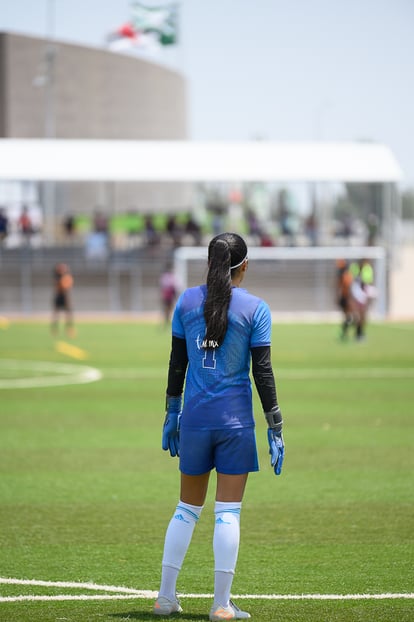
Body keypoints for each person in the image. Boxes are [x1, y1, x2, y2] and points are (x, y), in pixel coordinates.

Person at [154, 232, 285, 620]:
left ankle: (165, 597)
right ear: (244, 266)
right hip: (235, 425)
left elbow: (177, 364)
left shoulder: (185, 302)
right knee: (227, 513)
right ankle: (221, 606)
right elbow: (263, 371)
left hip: (194, 420)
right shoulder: (256, 309)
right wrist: (275, 425)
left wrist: (171, 412)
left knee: (186, 509)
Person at [51, 263, 75, 337]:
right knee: (56, 314)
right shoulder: (57, 278)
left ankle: (69, 330)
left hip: (66, 297)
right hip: (58, 296)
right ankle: (54, 330)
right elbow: (58, 287)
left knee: (68, 315)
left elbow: (68, 286)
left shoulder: (67, 277)